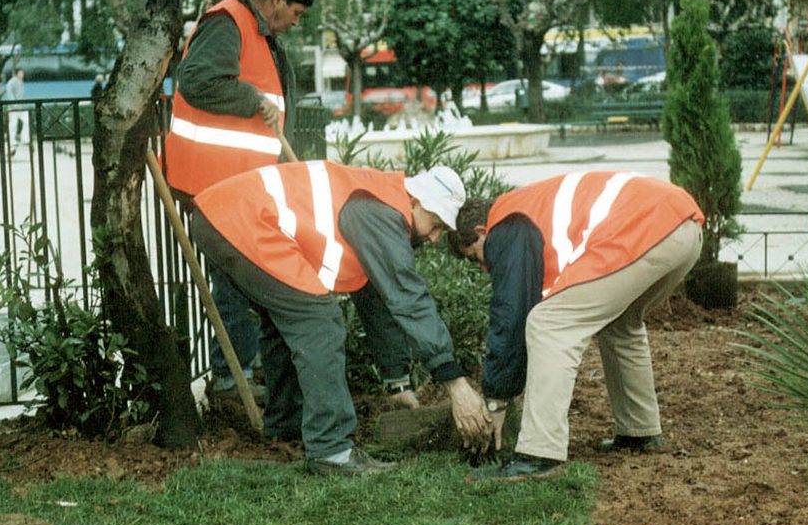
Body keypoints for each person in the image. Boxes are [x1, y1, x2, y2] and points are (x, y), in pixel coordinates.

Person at [188, 160, 490, 475]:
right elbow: (408, 298)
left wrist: (397, 382)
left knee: (290, 319)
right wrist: (455, 383)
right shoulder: (383, 212)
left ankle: (286, 426)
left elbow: (376, 301)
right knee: (319, 322)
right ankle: (332, 450)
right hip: (239, 220)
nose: (434, 238)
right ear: (415, 201)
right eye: (436, 224)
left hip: (223, 216)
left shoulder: (378, 201)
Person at [448, 171, 704, 482]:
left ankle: (539, 454)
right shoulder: (528, 207)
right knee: (621, 324)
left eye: (476, 256)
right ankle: (639, 431)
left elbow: (512, 313)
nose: (485, 267)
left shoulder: (506, 222)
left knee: (549, 324)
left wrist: (497, 398)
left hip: (647, 228)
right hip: (683, 231)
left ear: (480, 230)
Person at [162, 0, 315, 404]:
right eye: (296, 14)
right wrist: (250, 98)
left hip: (238, 184)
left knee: (241, 281)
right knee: (231, 282)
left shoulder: (257, 31)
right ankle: (231, 379)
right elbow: (197, 81)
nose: (295, 23)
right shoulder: (227, 22)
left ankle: (240, 372)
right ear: (279, 0)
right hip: (211, 182)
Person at [0, 68, 29, 150]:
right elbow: (10, 94)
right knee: (13, 124)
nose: (22, 75)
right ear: (17, 74)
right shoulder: (11, 82)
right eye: (20, 73)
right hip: (14, 108)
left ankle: (25, 139)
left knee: (26, 122)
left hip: (23, 107)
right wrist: (14, 104)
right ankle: (12, 141)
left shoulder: (21, 82)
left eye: (23, 73)